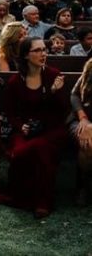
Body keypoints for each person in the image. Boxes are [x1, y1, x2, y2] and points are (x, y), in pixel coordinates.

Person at [0, 36, 69, 218]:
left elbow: (63, 110)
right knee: (20, 150)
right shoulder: (16, 82)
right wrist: (21, 125)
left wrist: (54, 92)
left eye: (44, 50)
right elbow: (10, 112)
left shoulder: (54, 75)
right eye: (38, 50)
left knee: (41, 148)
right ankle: (17, 197)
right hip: (26, 130)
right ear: (26, 55)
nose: (43, 54)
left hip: (52, 130)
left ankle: (43, 201)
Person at [69, 58, 92, 205]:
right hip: (81, 120)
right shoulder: (91, 66)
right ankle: (83, 186)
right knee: (88, 142)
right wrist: (83, 117)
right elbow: (74, 94)